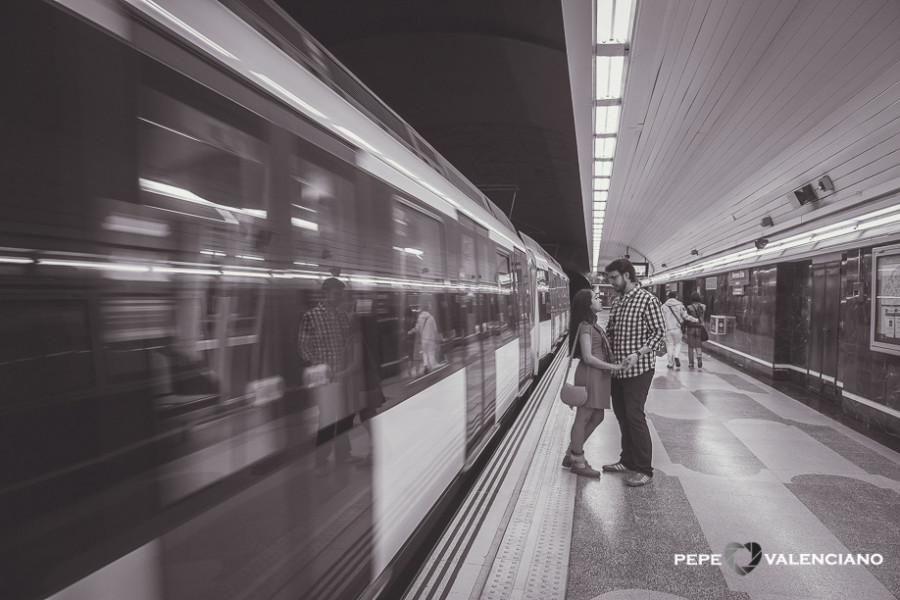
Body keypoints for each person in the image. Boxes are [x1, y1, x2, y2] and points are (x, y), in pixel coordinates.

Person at [602, 258, 666, 487]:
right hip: (617, 370)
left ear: (627, 276)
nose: (611, 282)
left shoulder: (648, 301)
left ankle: (644, 470)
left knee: (635, 417)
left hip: (639, 370)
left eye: (613, 277)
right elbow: (611, 331)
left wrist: (638, 353)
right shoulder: (618, 302)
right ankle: (627, 460)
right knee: (622, 415)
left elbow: (659, 333)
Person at [562, 288, 623, 477]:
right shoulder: (586, 326)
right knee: (584, 417)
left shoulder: (592, 324)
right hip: (591, 374)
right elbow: (587, 357)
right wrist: (614, 367)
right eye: (596, 297)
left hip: (598, 375)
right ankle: (578, 461)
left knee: (597, 417)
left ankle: (571, 453)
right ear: (588, 304)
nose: (600, 299)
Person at [298, 277, 352, 473]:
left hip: (343, 375)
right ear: (325, 293)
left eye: (341, 294)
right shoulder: (311, 317)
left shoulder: (343, 316)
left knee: (344, 416)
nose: (339, 298)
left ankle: (343, 455)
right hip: (324, 378)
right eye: (336, 294)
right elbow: (303, 347)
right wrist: (319, 365)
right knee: (327, 418)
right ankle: (321, 461)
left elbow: (347, 344)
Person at [661, 290, 698, 370]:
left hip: (667, 329)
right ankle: (676, 356)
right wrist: (695, 320)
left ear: (668, 297)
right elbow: (686, 316)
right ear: (676, 297)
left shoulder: (663, 306)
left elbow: (660, 319)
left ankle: (670, 364)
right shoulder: (680, 305)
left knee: (669, 345)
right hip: (677, 328)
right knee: (678, 344)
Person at [408, 298, 440, 375]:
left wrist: (409, 332)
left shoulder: (419, 318)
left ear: (422, 311)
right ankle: (433, 367)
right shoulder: (431, 318)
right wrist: (437, 339)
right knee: (431, 353)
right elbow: (435, 329)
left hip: (423, 340)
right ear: (428, 310)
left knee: (425, 353)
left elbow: (416, 328)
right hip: (431, 339)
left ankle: (426, 365)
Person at [684, 291, 707, 369]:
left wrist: (684, 328)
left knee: (691, 346)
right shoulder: (703, 307)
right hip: (699, 328)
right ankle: (699, 357)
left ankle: (691, 363)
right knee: (698, 344)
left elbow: (686, 318)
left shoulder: (689, 307)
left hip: (690, 328)